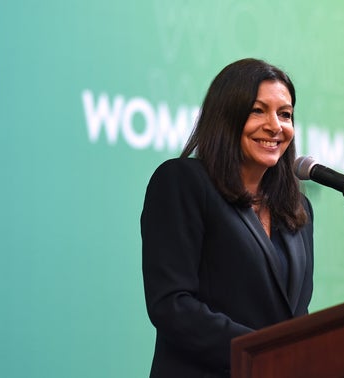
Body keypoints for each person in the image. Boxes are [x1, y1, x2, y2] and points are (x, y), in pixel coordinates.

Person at [140, 58, 313, 377]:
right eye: (257, 110)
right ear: (227, 116)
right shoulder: (182, 182)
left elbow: (296, 315)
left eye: (285, 114)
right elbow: (172, 304)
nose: (275, 125)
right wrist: (263, 353)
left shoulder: (298, 210)